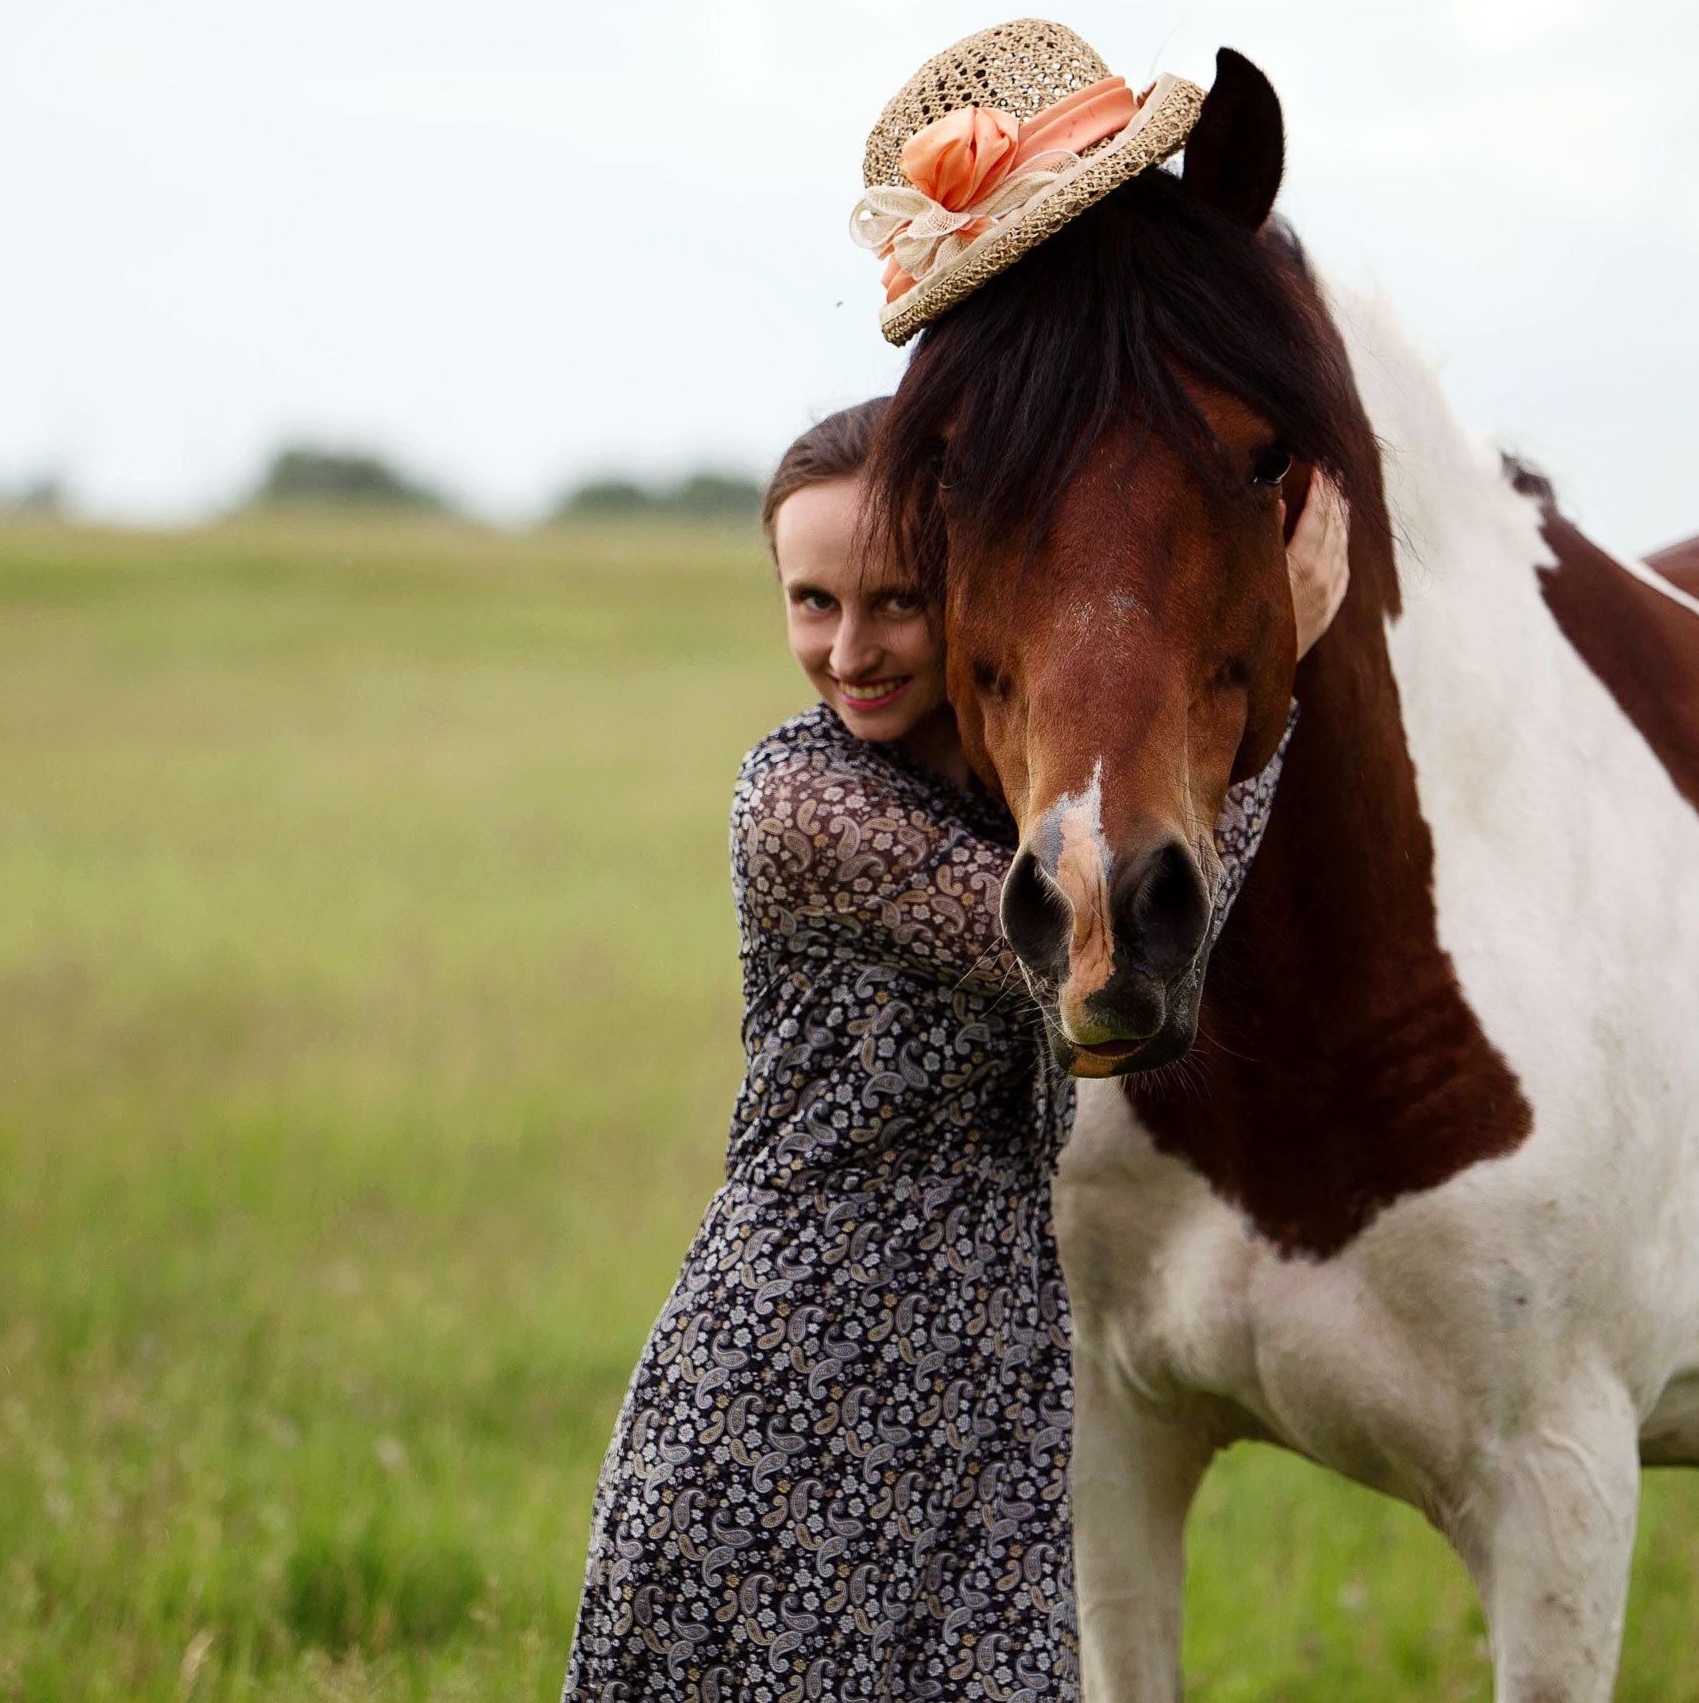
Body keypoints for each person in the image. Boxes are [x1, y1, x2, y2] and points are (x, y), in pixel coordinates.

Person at [564, 397, 1349, 1702]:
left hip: (996, 1406)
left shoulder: (1012, 804)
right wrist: (1282, 660)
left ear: (977, 591)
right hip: (787, 1396)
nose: (850, 648)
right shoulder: (800, 803)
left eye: (895, 601)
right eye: (812, 603)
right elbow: (1112, 953)